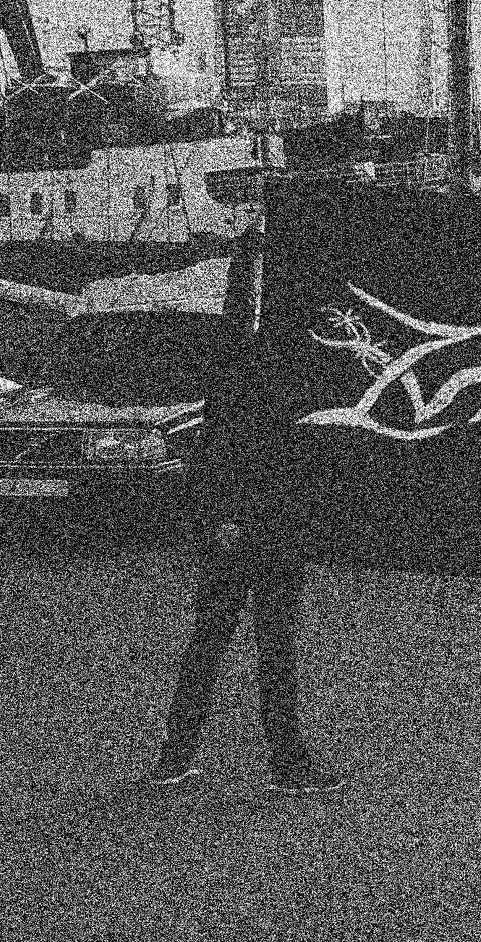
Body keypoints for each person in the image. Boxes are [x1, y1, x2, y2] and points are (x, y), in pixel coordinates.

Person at [146, 228, 342, 798]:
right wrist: (224, 517)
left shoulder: (253, 360)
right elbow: (226, 449)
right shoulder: (251, 365)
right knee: (247, 643)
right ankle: (279, 764)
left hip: (267, 521)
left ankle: (189, 758)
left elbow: (258, 447)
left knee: (235, 642)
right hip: (254, 522)